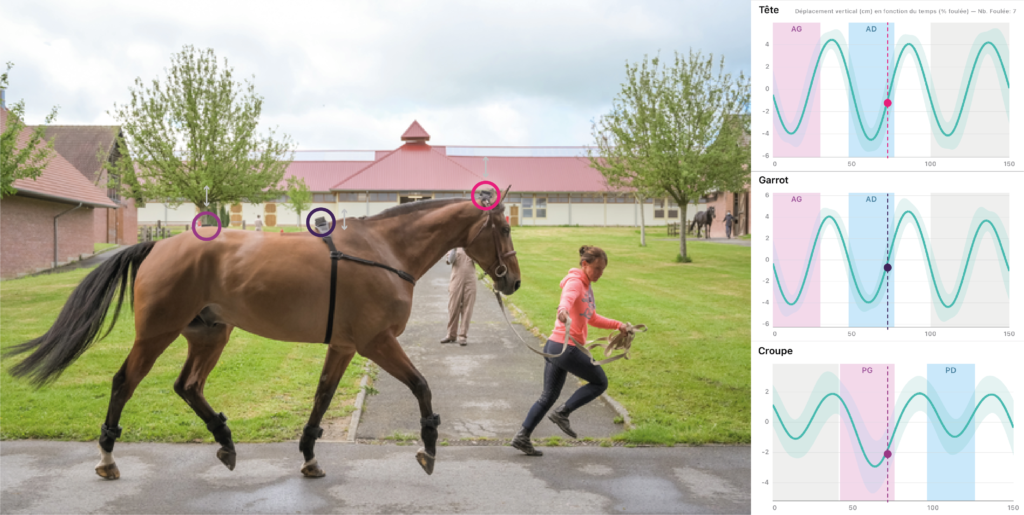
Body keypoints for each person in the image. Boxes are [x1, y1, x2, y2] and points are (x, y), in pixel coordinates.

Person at [511, 245, 628, 456]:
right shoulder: (575, 282)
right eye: (598, 268)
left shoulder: (587, 286)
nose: (601, 273)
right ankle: (563, 413)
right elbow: (566, 300)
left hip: (556, 346)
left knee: (548, 396)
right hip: (565, 347)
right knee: (600, 382)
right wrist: (562, 310)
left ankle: (522, 436)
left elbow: (592, 317)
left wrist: (618, 325)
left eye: (603, 269)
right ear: (585, 264)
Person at [441, 248, 476, 346]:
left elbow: (478, 260)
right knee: (453, 307)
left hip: (470, 279)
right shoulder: (454, 247)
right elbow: (450, 260)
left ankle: (463, 336)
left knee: (468, 308)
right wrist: (455, 248)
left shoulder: (472, 247)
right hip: (456, 278)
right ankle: (451, 335)